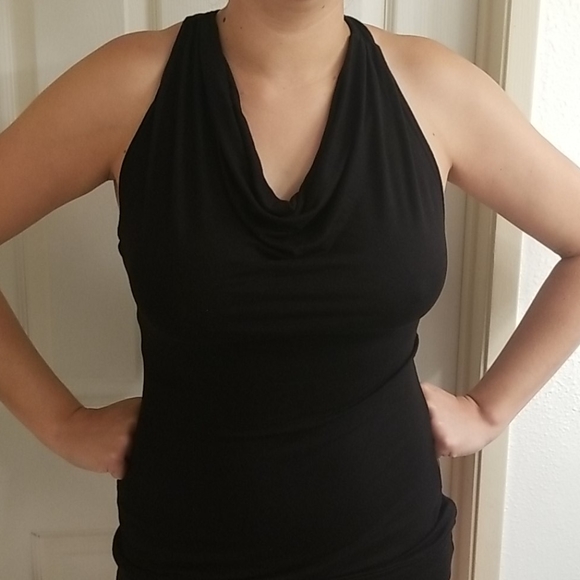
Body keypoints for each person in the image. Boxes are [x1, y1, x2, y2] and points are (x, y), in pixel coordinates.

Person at [1, 1, 579, 579]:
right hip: (181, 552)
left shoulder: (435, 90)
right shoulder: (129, 86)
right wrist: (62, 422)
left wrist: (487, 410)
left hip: (393, 550)